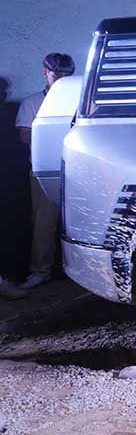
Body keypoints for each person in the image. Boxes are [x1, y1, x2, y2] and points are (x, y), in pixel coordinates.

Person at [15, 52, 75, 289]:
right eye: (56, 74)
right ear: (45, 73)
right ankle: (41, 271)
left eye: (66, 75)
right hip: (44, 170)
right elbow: (23, 135)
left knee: (77, 222)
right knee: (44, 223)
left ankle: (80, 272)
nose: (60, 79)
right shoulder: (31, 103)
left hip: (77, 170)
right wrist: (49, 130)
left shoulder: (79, 100)